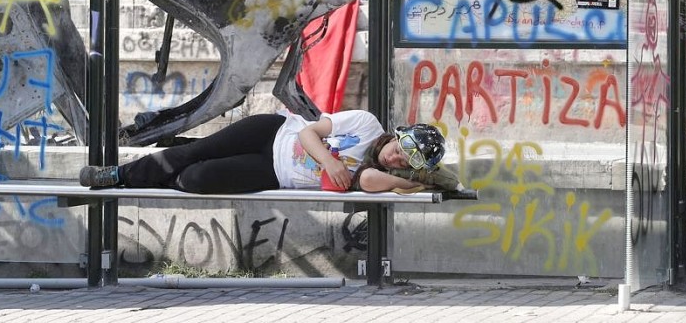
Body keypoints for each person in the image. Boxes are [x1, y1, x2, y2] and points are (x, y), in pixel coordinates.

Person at [78, 109, 462, 195]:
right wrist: (329, 160)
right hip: (275, 133)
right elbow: (311, 132)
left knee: (197, 178)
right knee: (196, 151)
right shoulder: (365, 124)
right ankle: (118, 174)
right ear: (396, 135)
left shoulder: (375, 175)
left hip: (275, 173)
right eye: (401, 148)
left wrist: (415, 179)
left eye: (405, 161)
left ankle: (158, 175)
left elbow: (373, 180)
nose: (395, 157)